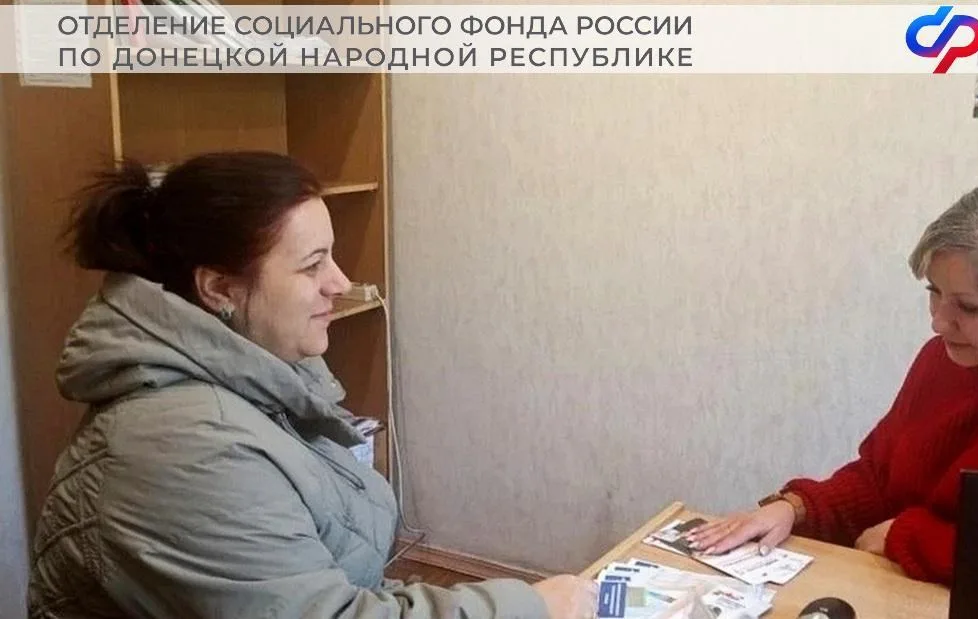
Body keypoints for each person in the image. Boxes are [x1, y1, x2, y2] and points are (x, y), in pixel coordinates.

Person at [27, 151, 596, 619]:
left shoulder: (262, 381)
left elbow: (320, 586)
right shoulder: (179, 449)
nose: (341, 283)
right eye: (312, 264)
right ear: (219, 289)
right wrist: (528, 608)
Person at [687, 180, 978, 586]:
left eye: (969, 307)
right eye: (935, 293)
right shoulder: (946, 355)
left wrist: (906, 537)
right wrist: (795, 508)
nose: (939, 322)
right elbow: (882, 478)